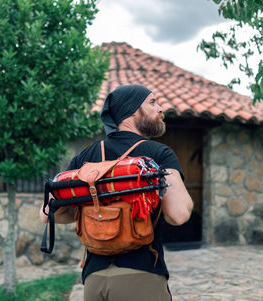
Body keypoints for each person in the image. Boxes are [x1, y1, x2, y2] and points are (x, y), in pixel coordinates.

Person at [40, 84, 193, 301]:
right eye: (152, 102)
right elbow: (178, 214)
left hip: (94, 280)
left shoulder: (85, 157)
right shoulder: (158, 153)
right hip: (141, 277)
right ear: (131, 111)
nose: (161, 109)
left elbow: (47, 214)